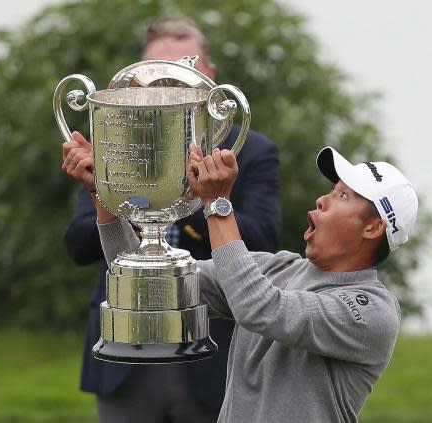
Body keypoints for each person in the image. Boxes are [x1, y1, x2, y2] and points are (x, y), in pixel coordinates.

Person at [61, 139, 418, 422]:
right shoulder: (277, 268)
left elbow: (261, 308)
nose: (322, 199)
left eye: (343, 195)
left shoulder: (371, 311)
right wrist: (104, 195)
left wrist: (217, 203)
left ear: (373, 227)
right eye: (332, 189)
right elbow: (149, 285)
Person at [63, 17, 281, 423]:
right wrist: (106, 193)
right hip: (123, 356)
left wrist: (200, 200)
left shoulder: (249, 151)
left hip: (209, 353)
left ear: (210, 80)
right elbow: (78, 244)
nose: (166, 91)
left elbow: (263, 240)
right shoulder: (113, 149)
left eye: (180, 75)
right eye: (154, 78)